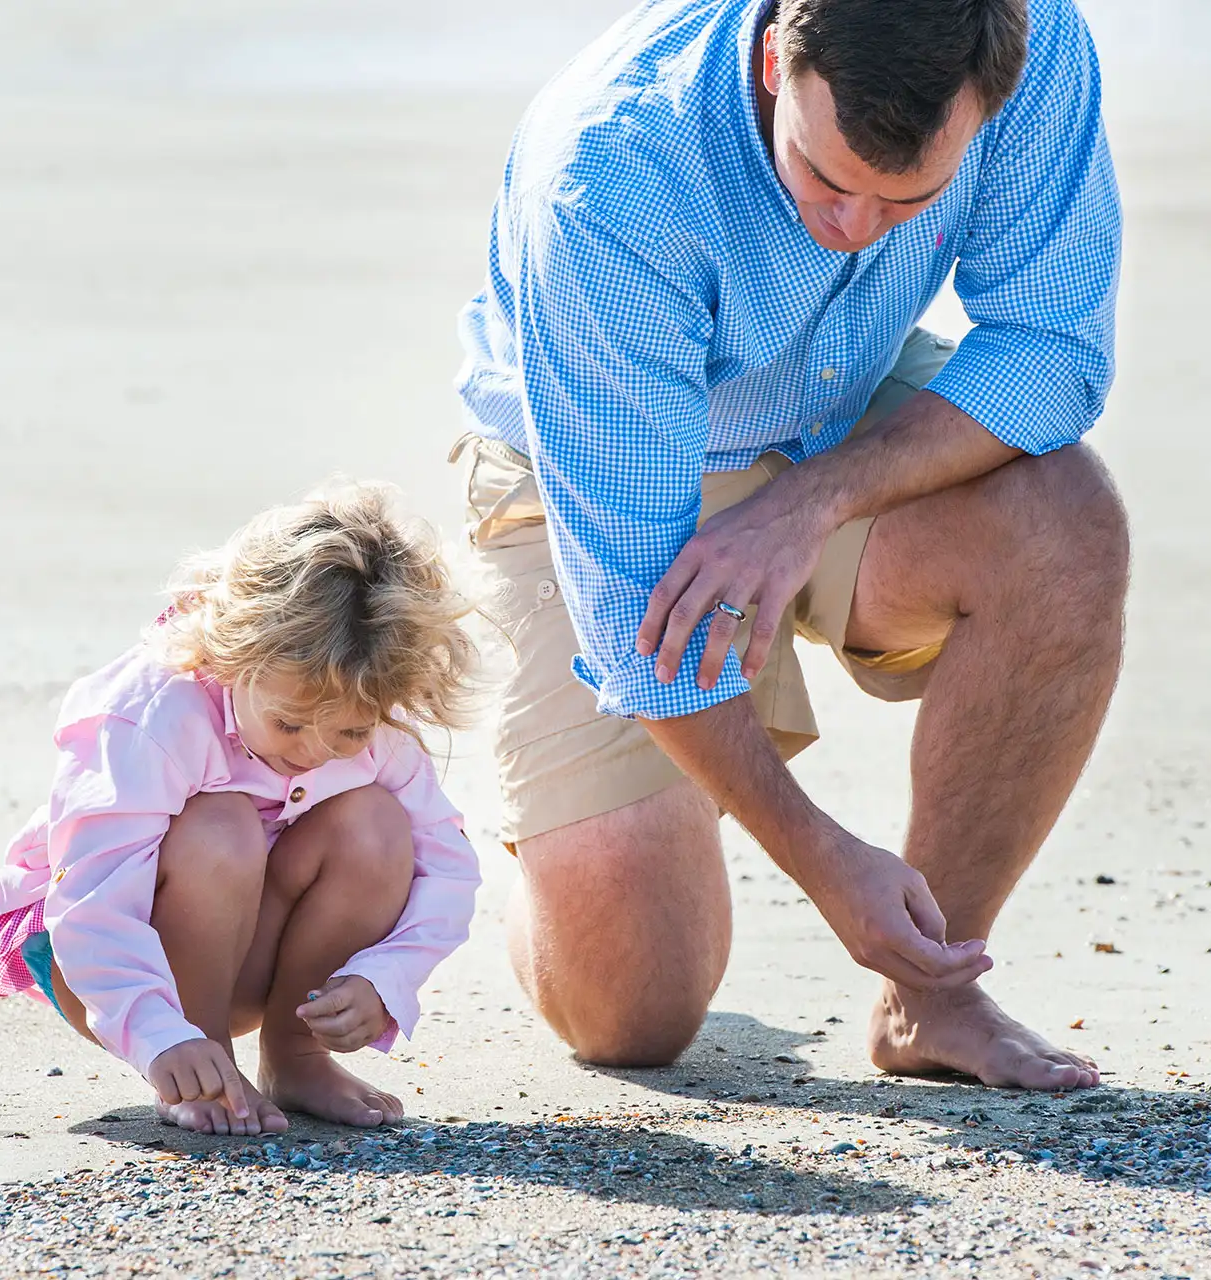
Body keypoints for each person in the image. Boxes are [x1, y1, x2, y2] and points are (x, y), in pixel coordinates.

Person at [452, 0, 1125, 1090]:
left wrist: (804, 506)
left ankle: (931, 995)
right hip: (602, 462)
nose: (856, 225)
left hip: (837, 405)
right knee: (634, 1014)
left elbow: (1055, 346)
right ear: (776, 57)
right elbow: (632, 619)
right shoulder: (610, 171)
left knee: (1070, 523)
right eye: (825, 178)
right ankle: (569, 812)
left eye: (908, 200)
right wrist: (824, 858)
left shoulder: (1027, 37)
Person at [0, 485, 483, 1133]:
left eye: (347, 734)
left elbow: (449, 871)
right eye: (289, 724)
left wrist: (385, 978)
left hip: (253, 944)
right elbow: (92, 900)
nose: (316, 753)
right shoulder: (151, 715)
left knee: (374, 824)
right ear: (234, 655)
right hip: (103, 958)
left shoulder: (370, 709)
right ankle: (201, 1061)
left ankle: (296, 1058)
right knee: (223, 824)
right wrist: (159, 1035)